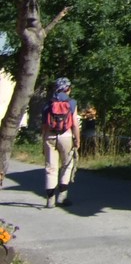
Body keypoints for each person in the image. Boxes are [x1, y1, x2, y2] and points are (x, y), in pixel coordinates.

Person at [42, 77, 80, 208]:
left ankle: (50, 199)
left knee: (50, 168)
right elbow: (74, 124)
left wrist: (44, 140)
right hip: (66, 136)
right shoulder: (72, 103)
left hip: (50, 137)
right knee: (67, 165)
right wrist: (77, 140)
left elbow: (44, 125)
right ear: (68, 89)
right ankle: (62, 197)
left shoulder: (49, 103)